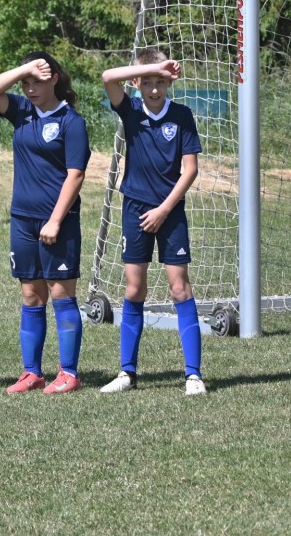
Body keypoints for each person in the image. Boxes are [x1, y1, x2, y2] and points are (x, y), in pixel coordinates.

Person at [0, 51, 91, 394]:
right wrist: (24, 69)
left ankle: (69, 373)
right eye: (25, 83)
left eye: (37, 82)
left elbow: (76, 175)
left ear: (54, 79)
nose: (30, 89)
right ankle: (32, 373)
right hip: (22, 221)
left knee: (61, 294)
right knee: (31, 295)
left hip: (58, 221)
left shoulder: (72, 122)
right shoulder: (22, 112)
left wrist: (55, 221)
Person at [98, 50, 206, 395]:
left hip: (169, 211)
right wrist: (155, 66)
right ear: (137, 82)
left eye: (161, 81)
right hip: (135, 209)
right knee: (134, 289)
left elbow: (190, 170)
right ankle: (127, 373)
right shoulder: (130, 110)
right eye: (147, 82)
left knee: (179, 288)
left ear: (170, 82)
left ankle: (193, 376)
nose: (154, 89)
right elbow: (107, 77)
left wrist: (163, 209)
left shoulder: (182, 115)